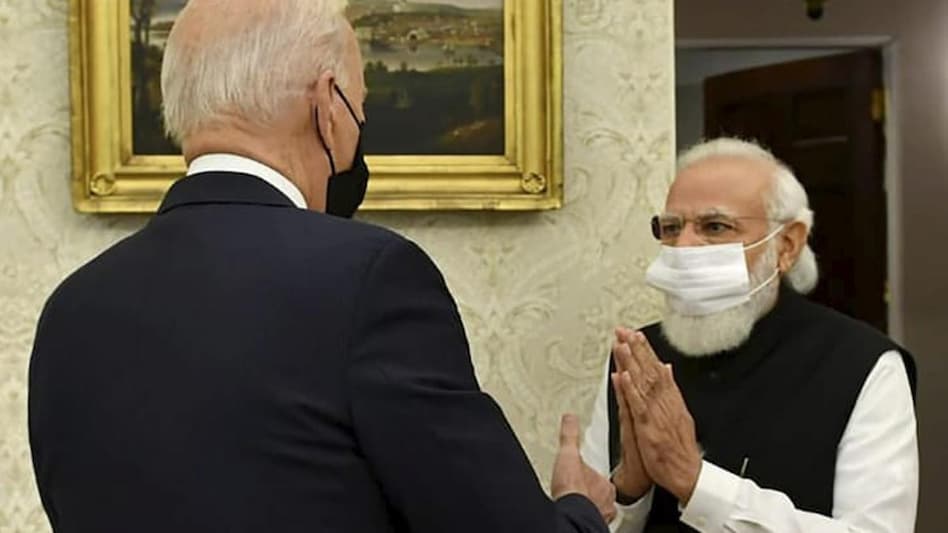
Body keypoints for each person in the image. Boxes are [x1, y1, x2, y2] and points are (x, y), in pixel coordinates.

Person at [27, 1, 615, 531]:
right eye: (361, 107)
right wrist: (581, 508)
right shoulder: (370, 280)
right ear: (328, 105)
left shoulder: (71, 308)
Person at [583, 138, 918, 532]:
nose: (684, 246)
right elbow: (589, 522)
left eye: (715, 226)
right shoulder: (638, 357)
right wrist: (628, 491)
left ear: (787, 245)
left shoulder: (863, 364)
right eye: (671, 227)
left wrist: (697, 483)